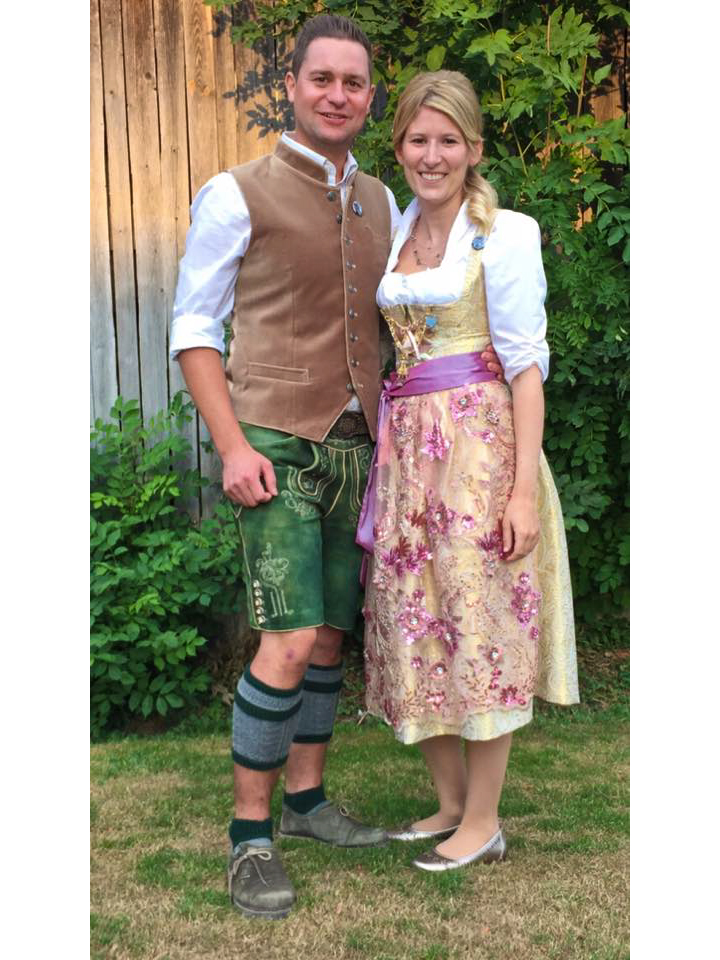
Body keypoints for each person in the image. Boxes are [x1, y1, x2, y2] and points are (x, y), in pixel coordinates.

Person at [172, 15, 507, 918]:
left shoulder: (383, 202)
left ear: (368, 98)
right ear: (292, 86)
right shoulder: (234, 193)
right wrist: (232, 446)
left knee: (326, 638)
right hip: (273, 445)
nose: (337, 95)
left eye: (353, 83)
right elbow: (194, 328)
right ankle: (249, 838)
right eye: (321, 79)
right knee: (284, 640)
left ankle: (309, 801)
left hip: (361, 447)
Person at [358, 70, 579, 872]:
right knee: (418, 621)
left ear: (474, 148)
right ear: (399, 147)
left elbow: (526, 368)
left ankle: (483, 821)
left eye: (448, 140)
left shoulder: (504, 234)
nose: (432, 154)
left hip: (478, 456)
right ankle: (451, 804)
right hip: (408, 457)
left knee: (481, 626)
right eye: (418, 139)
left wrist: (520, 492)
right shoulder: (394, 229)